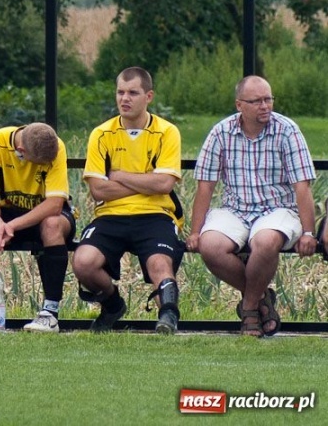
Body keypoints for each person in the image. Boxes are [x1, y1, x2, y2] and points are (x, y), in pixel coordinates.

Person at [186, 76, 317, 337]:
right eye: (256, 101)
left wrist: (308, 232)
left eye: (268, 99)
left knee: (266, 241)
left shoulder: (287, 130)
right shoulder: (221, 132)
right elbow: (205, 187)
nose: (265, 105)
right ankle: (260, 300)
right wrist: (194, 231)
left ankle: (248, 309)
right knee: (209, 246)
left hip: (277, 208)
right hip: (235, 208)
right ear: (239, 105)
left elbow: (302, 186)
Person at [72, 66, 184, 334]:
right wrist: (147, 181)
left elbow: (165, 184)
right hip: (110, 215)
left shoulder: (167, 132)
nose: (125, 98)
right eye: (120, 92)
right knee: (83, 262)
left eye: (133, 93)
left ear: (149, 96)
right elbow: (99, 191)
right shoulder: (102, 133)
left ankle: (168, 317)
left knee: (159, 263)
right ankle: (112, 304)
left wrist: (119, 176)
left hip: (156, 214)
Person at [0, 122, 75, 333]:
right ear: (20, 152)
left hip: (44, 213)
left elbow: (55, 204)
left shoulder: (54, 146)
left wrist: (9, 226)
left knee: (52, 225)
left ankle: (50, 314)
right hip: (7, 211)